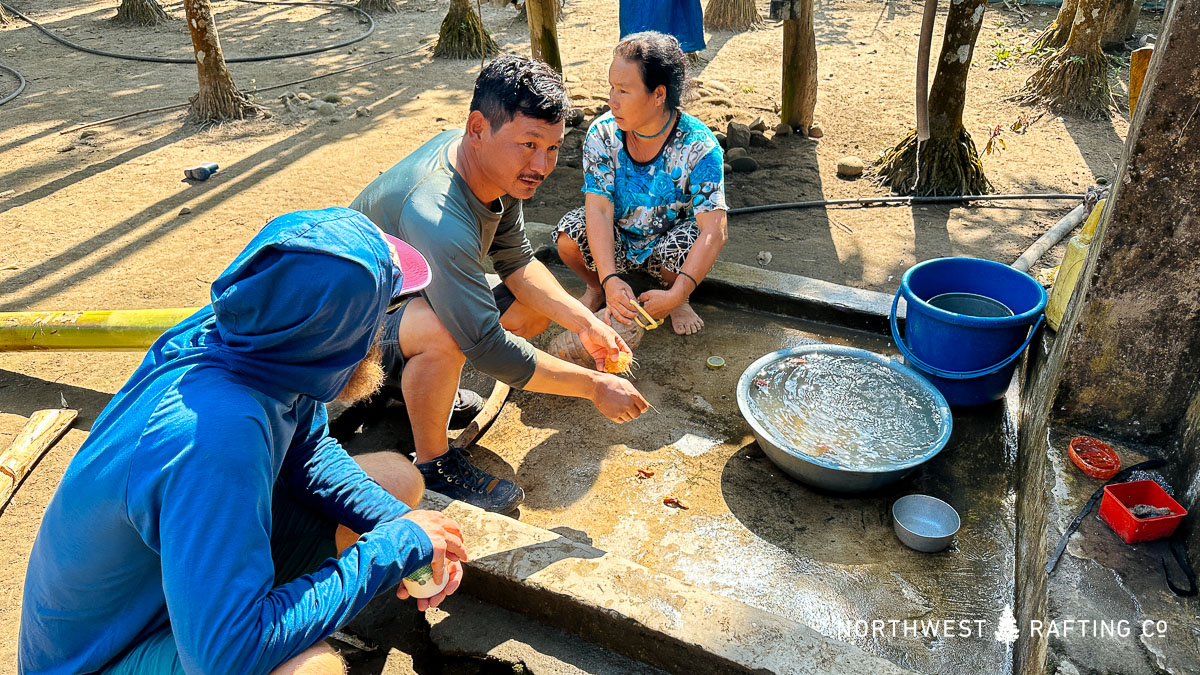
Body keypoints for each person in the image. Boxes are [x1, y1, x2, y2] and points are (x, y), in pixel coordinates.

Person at [19, 208, 467, 675]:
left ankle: (271, 608)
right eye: (387, 308)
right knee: (312, 671)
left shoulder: (262, 333)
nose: (383, 330)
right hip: (104, 658)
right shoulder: (216, 436)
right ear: (339, 335)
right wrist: (388, 551)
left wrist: (402, 529)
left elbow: (306, 452)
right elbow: (225, 659)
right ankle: (281, 623)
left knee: (396, 483)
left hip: (165, 589)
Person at [351, 54, 650, 515]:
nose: (542, 164)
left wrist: (586, 322)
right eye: (528, 144)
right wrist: (593, 386)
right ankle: (435, 462)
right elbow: (488, 347)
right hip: (348, 346)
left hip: (401, 303)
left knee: (532, 308)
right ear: (477, 127)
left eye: (551, 148)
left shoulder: (492, 167)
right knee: (444, 332)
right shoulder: (437, 217)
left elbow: (517, 260)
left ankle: (418, 389)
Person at [555, 31, 729, 336]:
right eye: (611, 88)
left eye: (624, 90)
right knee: (568, 235)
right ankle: (597, 289)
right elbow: (598, 211)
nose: (612, 101)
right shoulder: (602, 134)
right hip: (619, 240)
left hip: (668, 246)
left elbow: (715, 231)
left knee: (687, 242)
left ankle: (678, 298)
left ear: (659, 94)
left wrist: (677, 294)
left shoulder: (700, 146)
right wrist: (608, 279)